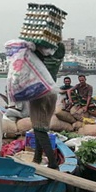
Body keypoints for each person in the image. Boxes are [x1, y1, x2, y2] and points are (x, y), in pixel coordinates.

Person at [29, 42, 65, 170]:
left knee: (39, 128)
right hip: (52, 93)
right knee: (40, 127)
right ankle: (37, 158)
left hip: (40, 95)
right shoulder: (58, 55)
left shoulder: (37, 58)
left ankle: (52, 163)